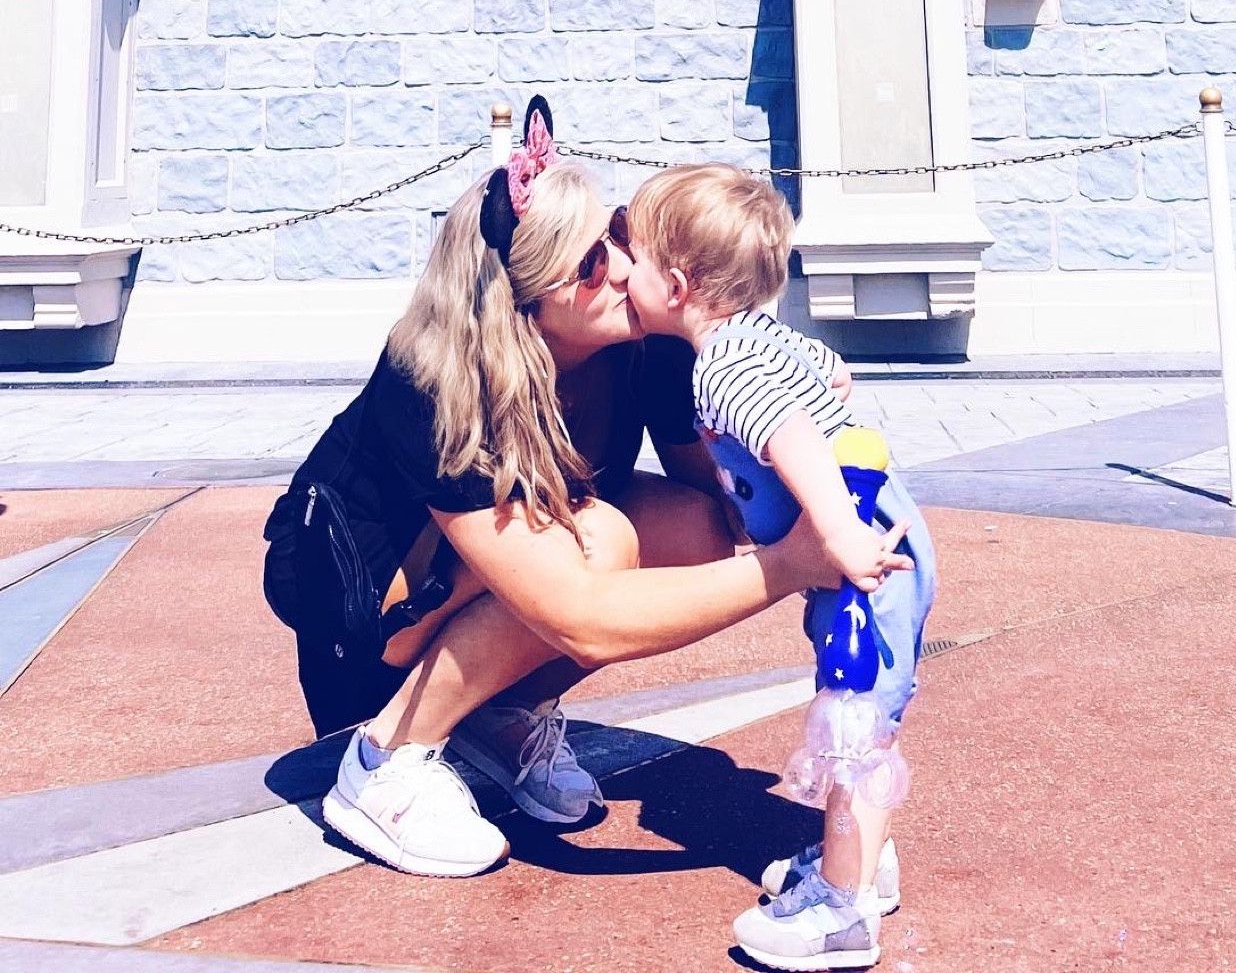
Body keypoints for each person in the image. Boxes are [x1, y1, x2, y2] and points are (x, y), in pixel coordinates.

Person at [262, 98, 908, 879]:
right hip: (366, 613)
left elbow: (728, 495)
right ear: (523, 296)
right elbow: (582, 619)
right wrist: (791, 566)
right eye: (592, 261)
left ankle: (501, 717)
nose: (625, 265)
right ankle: (385, 761)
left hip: (499, 569)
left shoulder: (643, 344)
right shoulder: (438, 380)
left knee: (697, 529)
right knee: (600, 538)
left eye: (616, 233)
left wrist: (789, 393)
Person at [623, 163, 937, 973]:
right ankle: (863, 866)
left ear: (679, 283)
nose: (624, 271)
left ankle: (840, 914)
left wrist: (835, 537)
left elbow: (791, 434)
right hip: (883, 543)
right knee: (863, 715)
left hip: (860, 556)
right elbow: (831, 370)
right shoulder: (758, 337)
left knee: (854, 727)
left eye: (638, 257)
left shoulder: (722, 366)